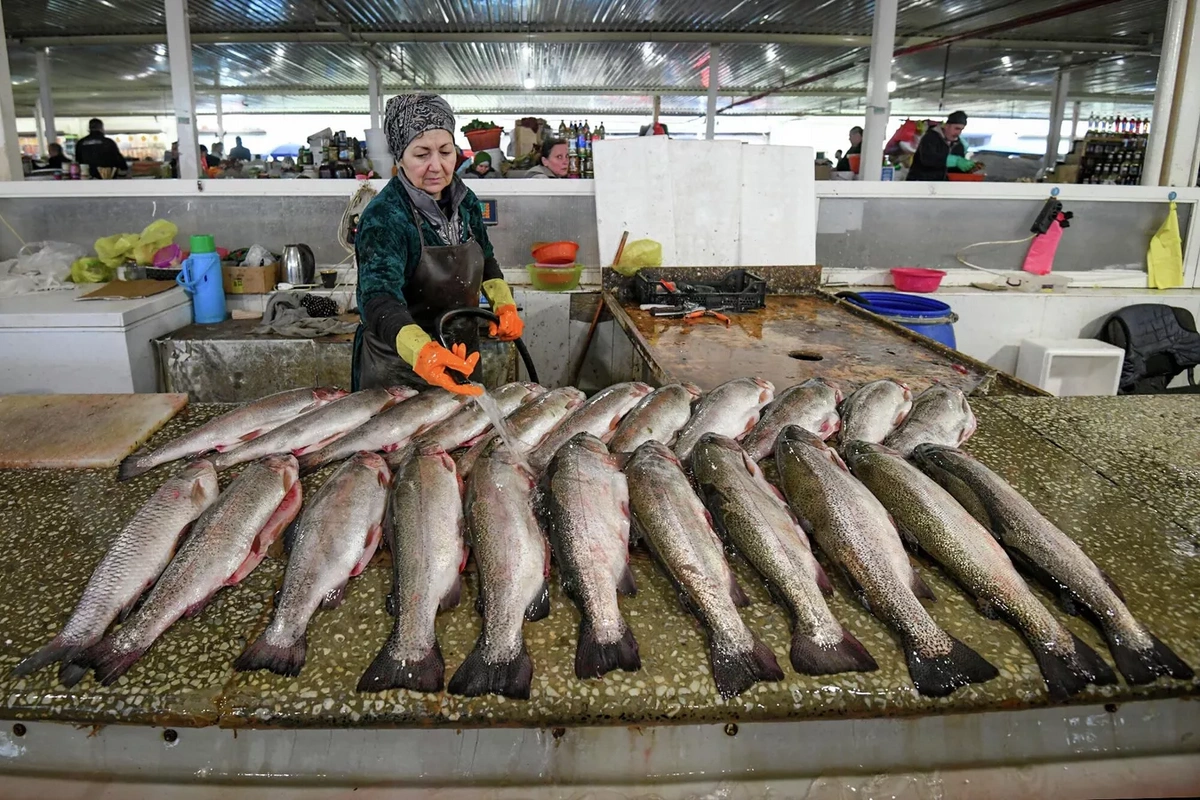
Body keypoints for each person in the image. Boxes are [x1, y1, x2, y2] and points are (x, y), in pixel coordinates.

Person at [353, 94, 524, 395]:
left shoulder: (465, 200)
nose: (437, 166)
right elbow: (378, 298)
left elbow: (486, 259)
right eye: (421, 155)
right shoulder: (386, 216)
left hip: (462, 357)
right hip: (400, 370)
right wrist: (422, 351)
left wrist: (504, 304)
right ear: (399, 158)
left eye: (445, 152)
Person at [906, 110, 980, 181]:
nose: (958, 133)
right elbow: (928, 159)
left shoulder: (959, 145)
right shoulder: (930, 138)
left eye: (961, 129)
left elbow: (954, 172)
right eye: (956, 128)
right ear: (946, 126)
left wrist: (968, 169)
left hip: (942, 186)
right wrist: (954, 161)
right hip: (919, 183)